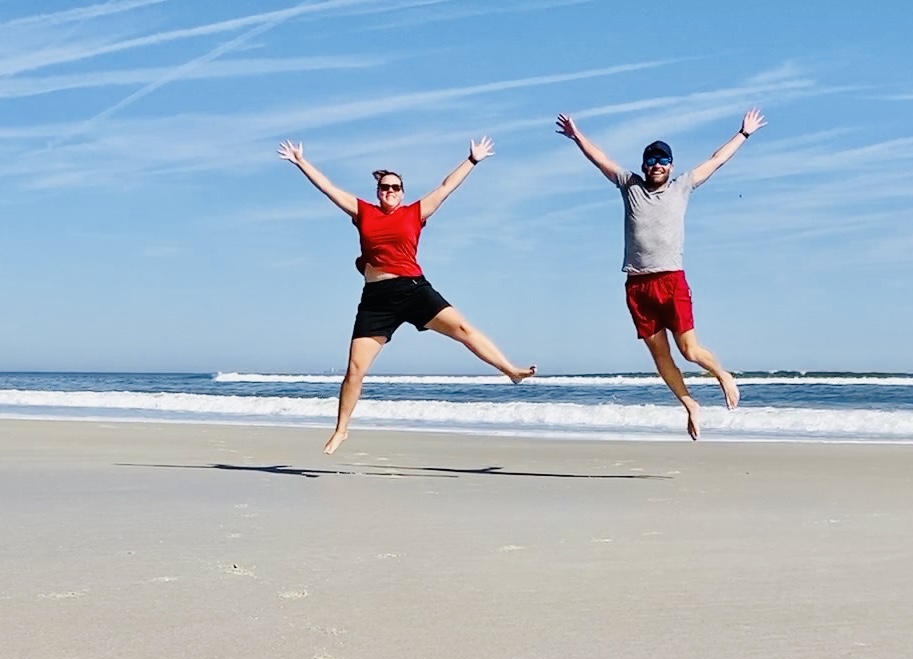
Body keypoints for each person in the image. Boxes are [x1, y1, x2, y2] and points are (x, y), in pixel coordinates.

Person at [278, 136, 536, 454]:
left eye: (395, 187)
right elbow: (329, 188)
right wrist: (302, 162)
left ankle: (510, 370)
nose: (389, 191)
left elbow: (445, 187)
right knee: (355, 369)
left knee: (464, 329)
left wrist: (472, 160)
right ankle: (342, 430)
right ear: (378, 191)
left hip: (413, 289)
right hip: (376, 299)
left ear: (403, 192)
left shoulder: (415, 213)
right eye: (384, 187)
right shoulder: (363, 212)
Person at [555, 109, 766, 440]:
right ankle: (690, 405)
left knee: (690, 351)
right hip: (637, 285)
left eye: (662, 161)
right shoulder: (629, 185)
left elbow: (716, 160)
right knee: (660, 355)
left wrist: (743, 134)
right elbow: (601, 160)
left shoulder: (682, 186)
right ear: (643, 166)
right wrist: (577, 135)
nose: (656, 165)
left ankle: (723, 375)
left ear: (670, 165)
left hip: (671, 281)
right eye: (651, 160)